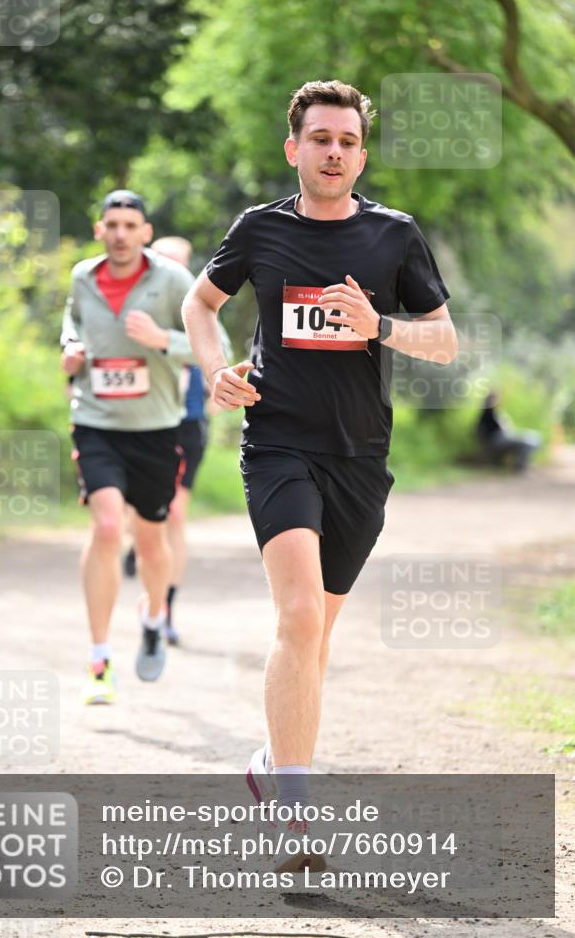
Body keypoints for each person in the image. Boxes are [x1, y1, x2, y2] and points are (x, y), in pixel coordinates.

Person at [182, 79, 458, 870]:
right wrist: (214, 372)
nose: (332, 151)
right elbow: (200, 307)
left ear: (359, 154)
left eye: (345, 140)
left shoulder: (393, 237)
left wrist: (381, 328)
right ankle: (295, 822)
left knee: (315, 633)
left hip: (360, 458)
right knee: (298, 616)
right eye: (319, 138)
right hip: (277, 444)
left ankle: (271, 768)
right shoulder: (258, 230)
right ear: (293, 148)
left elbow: (444, 342)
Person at [61, 190, 194, 701]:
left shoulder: (172, 280)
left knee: (152, 541)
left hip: (156, 429)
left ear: (145, 232)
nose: (119, 233)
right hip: (95, 422)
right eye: (110, 224)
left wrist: (164, 340)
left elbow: (217, 347)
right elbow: (71, 319)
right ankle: (99, 658)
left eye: (129, 225)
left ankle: (154, 614)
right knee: (108, 526)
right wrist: (69, 347)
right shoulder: (82, 276)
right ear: (100, 230)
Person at [124, 236, 231, 645]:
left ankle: (165, 608)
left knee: (175, 514)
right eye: (164, 261)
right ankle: (140, 547)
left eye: (181, 265)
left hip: (185, 422)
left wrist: (216, 384)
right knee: (139, 513)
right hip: (134, 420)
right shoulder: (135, 302)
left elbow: (220, 348)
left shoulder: (198, 306)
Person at [476, 390, 542, 471]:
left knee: (532, 437)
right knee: (528, 441)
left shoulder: (495, 414)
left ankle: (521, 464)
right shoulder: (488, 413)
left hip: (503, 438)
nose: (496, 401)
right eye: (493, 399)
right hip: (497, 440)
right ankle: (520, 465)